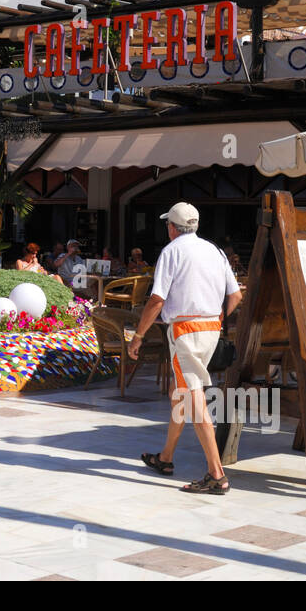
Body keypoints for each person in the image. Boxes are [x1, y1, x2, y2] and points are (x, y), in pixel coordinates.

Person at [129, 202, 242, 495]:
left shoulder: (172, 251)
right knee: (179, 393)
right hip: (210, 329)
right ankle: (165, 458)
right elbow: (236, 295)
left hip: (186, 330)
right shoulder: (214, 250)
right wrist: (219, 318)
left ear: (172, 227)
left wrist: (138, 336)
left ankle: (216, 474)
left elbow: (157, 300)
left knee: (193, 399)